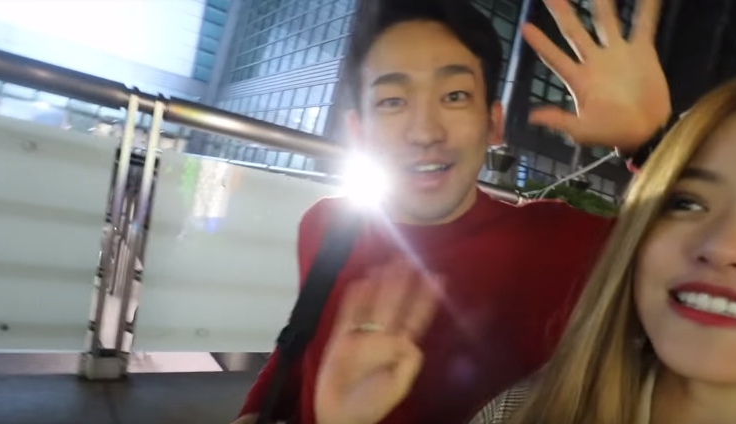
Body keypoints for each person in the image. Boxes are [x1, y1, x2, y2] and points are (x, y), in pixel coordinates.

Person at [312, 43, 736, 424]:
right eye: (684, 202)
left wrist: (651, 144)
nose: (722, 246)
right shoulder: (523, 411)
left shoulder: (557, 232)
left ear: (493, 124)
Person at [234, 0, 671, 422]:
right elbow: (301, 350)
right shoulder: (328, 224)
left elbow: (695, 249)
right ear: (359, 131)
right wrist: (255, 411)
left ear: (493, 124)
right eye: (392, 101)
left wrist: (650, 143)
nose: (425, 132)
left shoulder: (564, 242)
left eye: (455, 95)